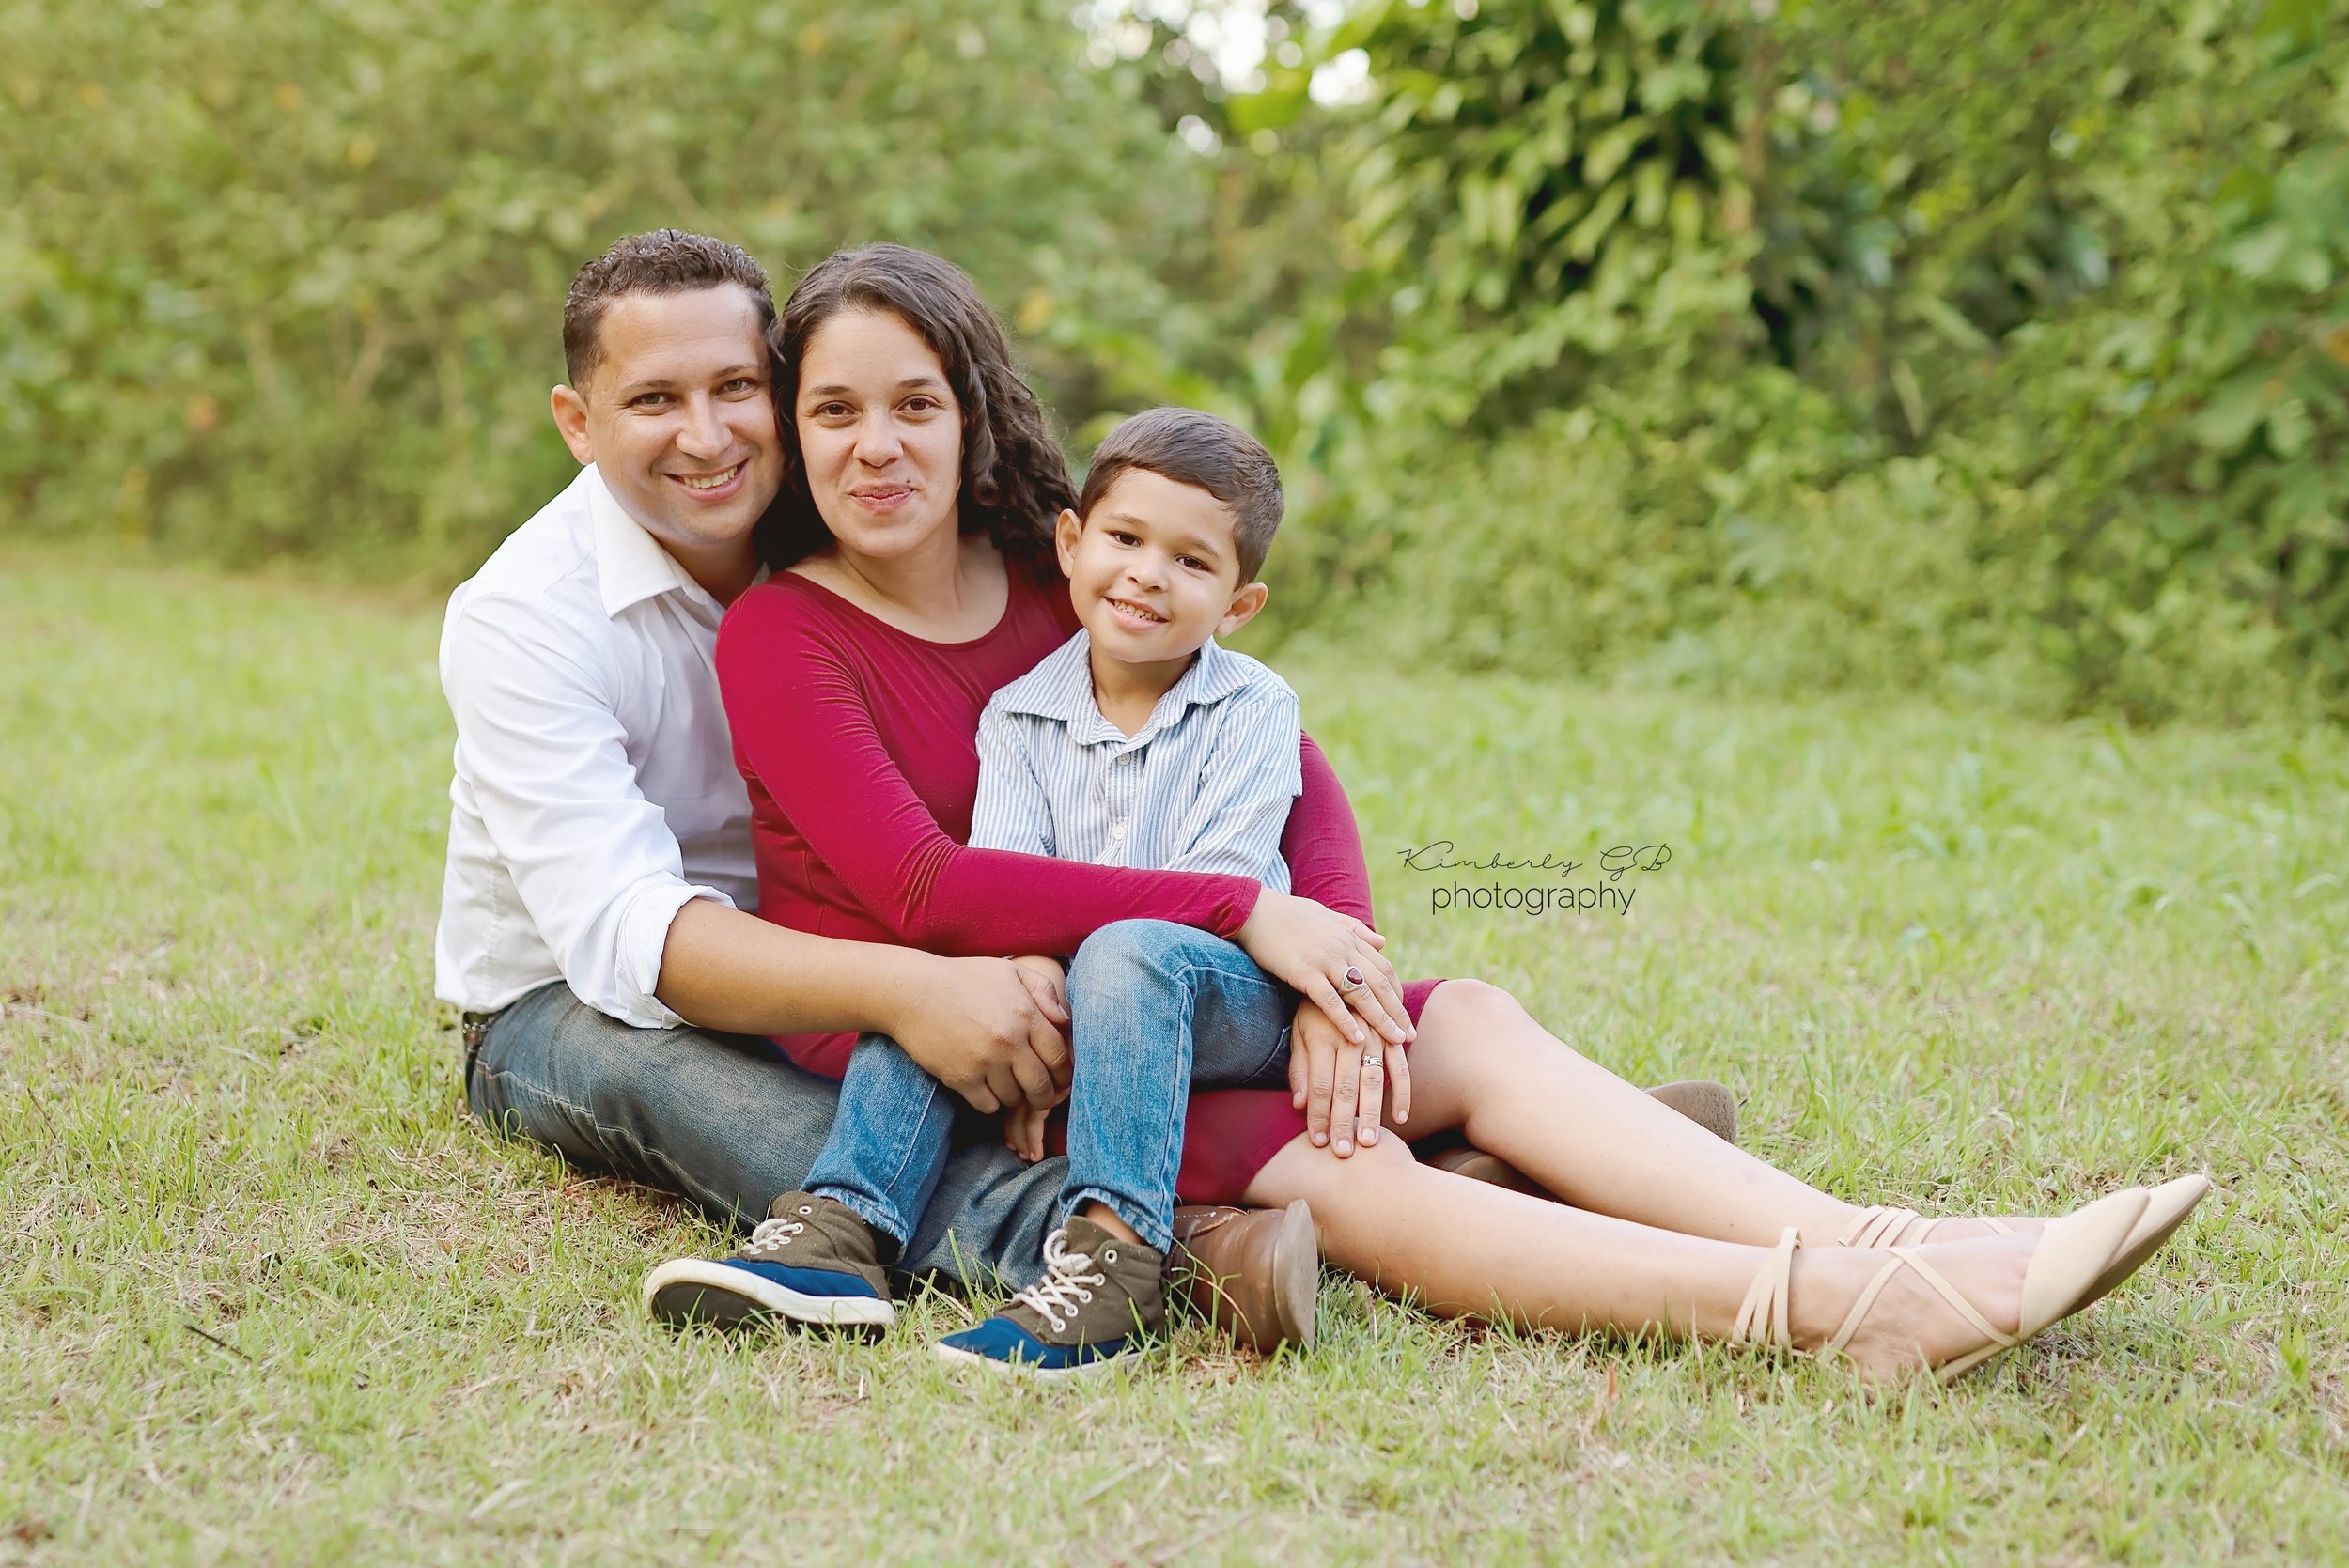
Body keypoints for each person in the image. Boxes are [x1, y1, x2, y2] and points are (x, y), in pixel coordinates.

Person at [673, 241, 2207, 1383]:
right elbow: (929, 887)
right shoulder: (785, 633)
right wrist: (1247, 915)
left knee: (1453, 1012)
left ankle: (1889, 1235)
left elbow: (1292, 763)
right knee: (1348, 1164)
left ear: (975, 413)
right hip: (972, 1034)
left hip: (1160, 975)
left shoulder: (1056, 578)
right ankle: (1837, 1308)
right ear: (796, 435)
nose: (878, 443)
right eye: (834, 410)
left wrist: (1334, 959)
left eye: (915, 402)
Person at [439, 229, 1321, 1340]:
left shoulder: (852, 515)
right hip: (582, 1000)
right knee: (764, 1119)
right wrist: (910, 987)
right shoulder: (524, 616)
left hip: (864, 956)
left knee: (940, 1074)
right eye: (656, 399)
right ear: (579, 423)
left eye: (736, 389)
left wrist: (1323, 948)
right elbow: (632, 937)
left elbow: (1245, 722)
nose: (706, 436)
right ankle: (1186, 1249)